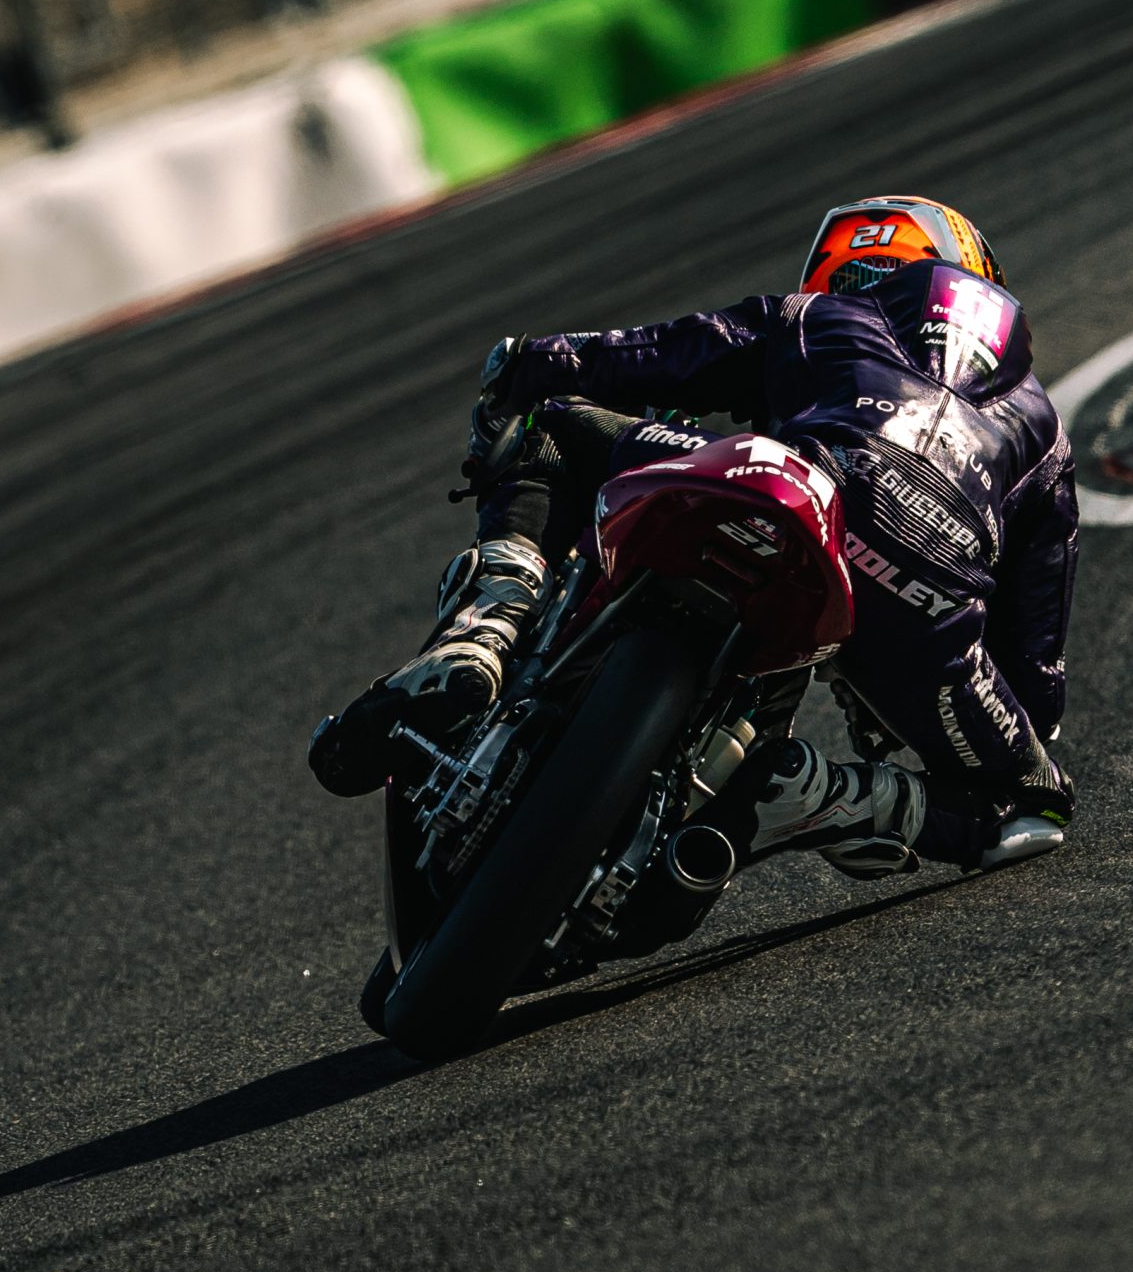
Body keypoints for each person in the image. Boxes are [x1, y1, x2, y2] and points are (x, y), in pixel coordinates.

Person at [308, 196, 1078, 878]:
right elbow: (1037, 650)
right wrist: (1007, 711)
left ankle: (483, 631)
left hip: (807, 484)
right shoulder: (1041, 426)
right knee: (1031, 803)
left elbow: (664, 352)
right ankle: (822, 796)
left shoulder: (819, 317)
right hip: (932, 602)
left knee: (553, 427)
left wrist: (525, 366)